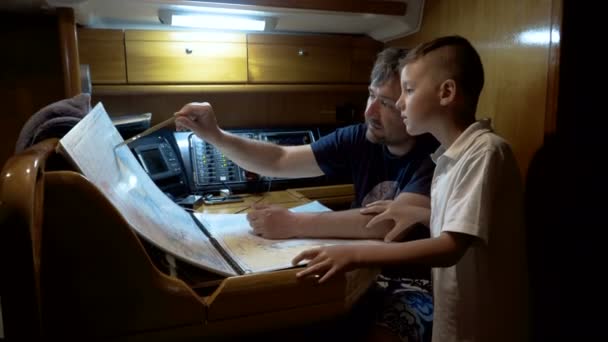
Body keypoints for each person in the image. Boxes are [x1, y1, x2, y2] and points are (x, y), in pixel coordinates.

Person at [175, 48, 438, 342]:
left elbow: (388, 224)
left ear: (409, 104)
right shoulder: (359, 137)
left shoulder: (434, 154)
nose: (369, 112)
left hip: (414, 283)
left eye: (386, 103)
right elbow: (279, 159)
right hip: (360, 275)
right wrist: (216, 136)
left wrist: (294, 223)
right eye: (370, 95)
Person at [293, 36, 529, 342]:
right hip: (455, 315)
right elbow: (471, 227)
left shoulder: (484, 152)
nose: (400, 103)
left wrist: (355, 253)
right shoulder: (449, 156)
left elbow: (450, 248)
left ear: (446, 93)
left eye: (408, 91)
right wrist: (421, 214)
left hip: (484, 325)